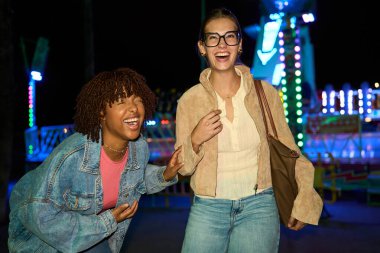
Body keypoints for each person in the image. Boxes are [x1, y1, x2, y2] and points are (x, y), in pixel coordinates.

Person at [174, 7, 323, 253]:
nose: (222, 44)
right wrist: (195, 140)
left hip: (259, 207)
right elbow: (185, 167)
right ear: (202, 47)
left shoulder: (265, 93)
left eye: (230, 36)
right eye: (213, 38)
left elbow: (289, 150)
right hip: (208, 209)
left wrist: (305, 197)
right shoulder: (189, 101)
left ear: (239, 44)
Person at [8, 67, 183, 253]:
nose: (134, 108)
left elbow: (130, 175)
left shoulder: (138, 147)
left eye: (138, 100)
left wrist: (165, 174)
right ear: (101, 111)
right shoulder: (72, 156)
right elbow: (39, 214)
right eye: (121, 101)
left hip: (91, 235)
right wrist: (106, 222)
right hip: (43, 242)